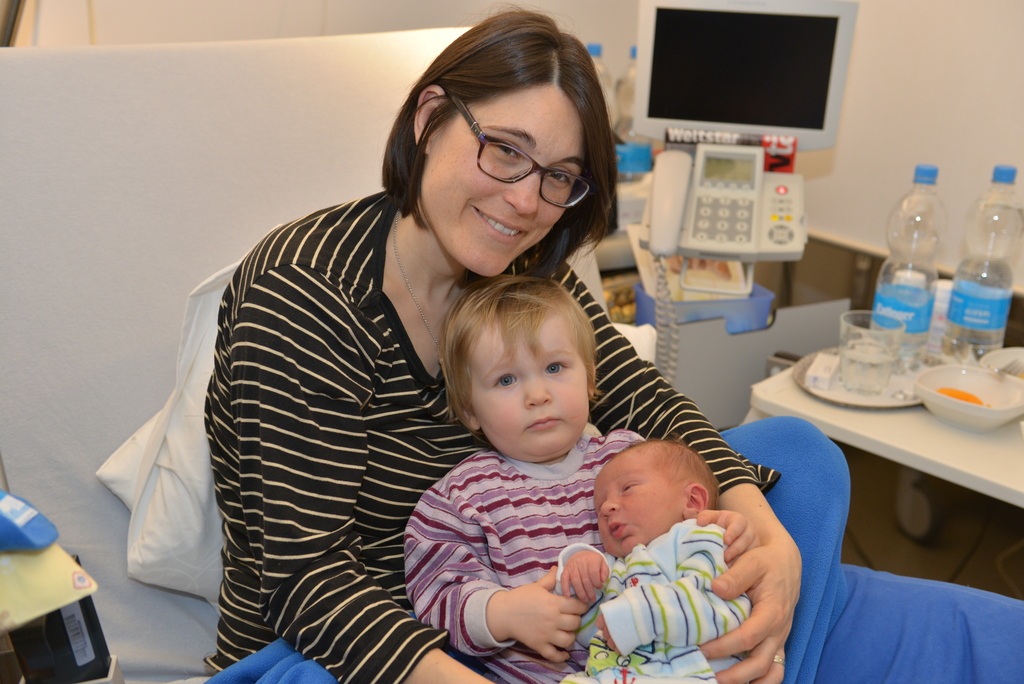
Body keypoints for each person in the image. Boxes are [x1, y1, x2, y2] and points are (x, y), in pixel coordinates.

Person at [204, 7, 805, 684]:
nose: (526, 203)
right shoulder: (307, 294)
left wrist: (769, 544)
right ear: (429, 118)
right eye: (507, 150)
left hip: (555, 621)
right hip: (342, 649)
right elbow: (307, 580)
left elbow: (642, 397)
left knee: (799, 454)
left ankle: (758, 641)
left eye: (558, 175)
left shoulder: (523, 271)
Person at [405, 275, 735, 683]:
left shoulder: (629, 456)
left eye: (554, 367)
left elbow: (691, 519)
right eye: (506, 379)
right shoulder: (460, 497)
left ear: (590, 379)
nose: (537, 395)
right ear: (470, 410)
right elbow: (437, 594)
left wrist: (725, 528)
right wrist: (502, 613)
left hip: (668, 661)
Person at [555, 439, 749, 683]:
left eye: (627, 488)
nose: (606, 508)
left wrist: (640, 614)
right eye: (599, 506)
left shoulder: (702, 538)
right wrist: (579, 577)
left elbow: (719, 608)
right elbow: (592, 632)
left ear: (692, 501)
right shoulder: (617, 567)